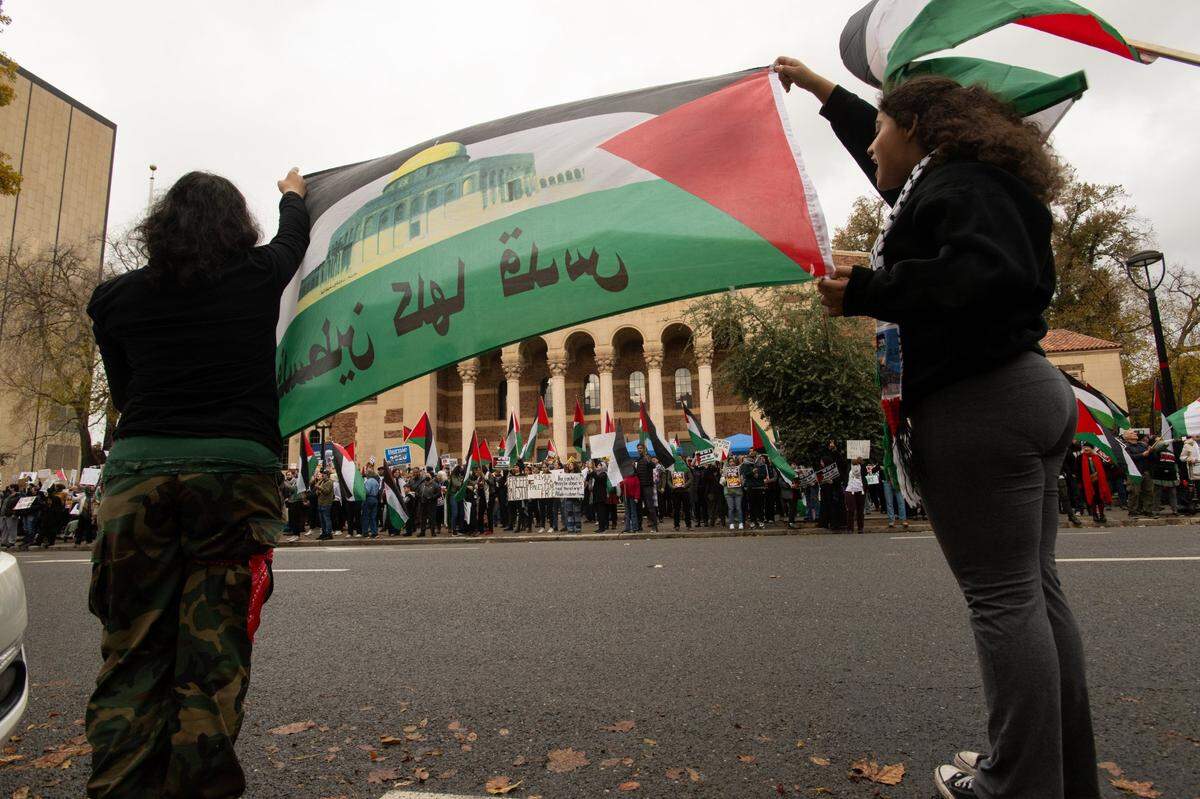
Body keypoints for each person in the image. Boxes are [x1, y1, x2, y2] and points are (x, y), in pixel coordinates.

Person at [779, 55, 1099, 799]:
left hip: (980, 402)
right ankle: (1057, 775)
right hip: (1021, 394)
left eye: (882, 128)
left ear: (918, 128)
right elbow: (900, 179)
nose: (871, 145)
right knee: (1032, 594)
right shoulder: (955, 180)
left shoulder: (961, 185)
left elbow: (983, 276)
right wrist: (825, 91)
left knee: (1004, 599)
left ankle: (1015, 783)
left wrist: (869, 290)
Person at [84, 167, 309, 798]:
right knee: (212, 657)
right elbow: (293, 236)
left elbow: (126, 394)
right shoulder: (256, 278)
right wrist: (293, 193)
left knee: (131, 652)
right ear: (236, 227)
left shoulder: (114, 300)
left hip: (139, 477)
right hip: (233, 479)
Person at [1078, 444, 1110, 524]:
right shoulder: (1080, 458)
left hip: (1099, 482)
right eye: (1084, 447)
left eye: (1088, 447)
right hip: (1087, 482)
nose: (1086, 449)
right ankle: (1094, 515)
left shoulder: (1097, 457)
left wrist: (1097, 474)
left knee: (1100, 498)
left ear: (1092, 449)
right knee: (1092, 498)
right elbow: (1077, 470)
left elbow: (1105, 466)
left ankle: (1102, 514)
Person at [634, 443, 659, 533]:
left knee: (650, 507)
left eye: (641, 448)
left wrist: (649, 460)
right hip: (639, 487)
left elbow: (653, 466)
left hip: (647, 486)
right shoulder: (637, 460)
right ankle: (639, 526)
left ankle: (655, 527)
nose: (639, 450)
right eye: (638, 448)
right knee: (639, 508)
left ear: (644, 449)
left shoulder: (647, 457)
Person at [843, 458, 866, 535]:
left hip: (860, 489)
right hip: (850, 489)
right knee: (850, 509)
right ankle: (850, 528)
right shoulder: (848, 466)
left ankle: (860, 528)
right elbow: (839, 461)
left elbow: (865, 474)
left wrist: (862, 463)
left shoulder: (862, 465)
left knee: (860, 509)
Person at [720, 461, 744, 530]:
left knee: (738, 508)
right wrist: (725, 478)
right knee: (731, 508)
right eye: (730, 462)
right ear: (728, 464)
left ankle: (740, 523)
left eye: (733, 462)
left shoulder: (739, 472)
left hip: (738, 493)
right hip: (728, 493)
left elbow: (743, 483)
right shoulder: (725, 472)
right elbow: (722, 483)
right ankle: (731, 523)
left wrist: (740, 479)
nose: (732, 463)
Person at [361, 467, 381, 538]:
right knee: (373, 517)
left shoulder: (369, 481)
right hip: (375, 499)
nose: (365, 474)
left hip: (368, 499)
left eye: (366, 473)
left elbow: (367, 491)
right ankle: (374, 532)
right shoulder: (376, 481)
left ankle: (365, 532)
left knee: (366, 517)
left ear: (368, 474)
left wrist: (362, 490)